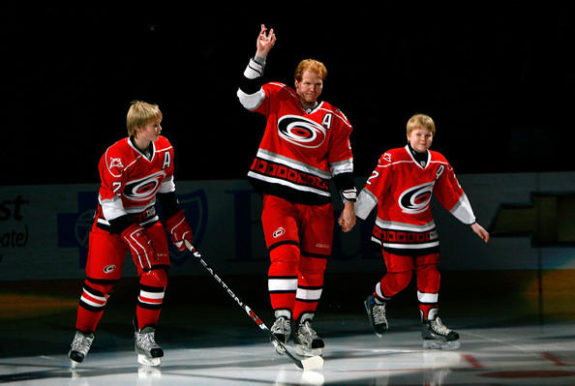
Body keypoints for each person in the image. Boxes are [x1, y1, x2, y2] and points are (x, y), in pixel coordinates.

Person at [236, 24, 357, 356]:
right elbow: (245, 97)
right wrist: (260, 55)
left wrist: (348, 204)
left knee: (314, 266)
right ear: (296, 81)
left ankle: (304, 323)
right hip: (280, 196)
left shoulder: (336, 119)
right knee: (285, 255)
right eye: (307, 83)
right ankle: (282, 318)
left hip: (318, 200)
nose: (312, 89)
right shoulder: (278, 95)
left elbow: (342, 164)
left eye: (318, 84)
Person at [67, 100, 194, 367]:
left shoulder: (165, 148)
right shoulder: (115, 157)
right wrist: (131, 233)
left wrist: (175, 220)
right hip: (111, 224)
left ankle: (145, 334)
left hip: (147, 218)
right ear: (137, 128)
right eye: (154, 125)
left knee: (157, 275)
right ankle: (82, 335)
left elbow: (166, 188)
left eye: (160, 122)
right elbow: (111, 205)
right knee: (98, 286)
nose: (160, 128)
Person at [355, 113, 489, 349]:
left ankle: (430, 322)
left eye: (428, 135)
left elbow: (451, 193)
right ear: (408, 136)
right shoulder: (392, 158)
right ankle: (376, 301)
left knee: (430, 273)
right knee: (400, 277)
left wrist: (472, 222)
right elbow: (373, 187)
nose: (423, 139)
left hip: (425, 229)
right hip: (393, 228)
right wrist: (354, 214)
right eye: (418, 134)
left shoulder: (438, 162)